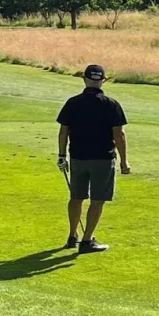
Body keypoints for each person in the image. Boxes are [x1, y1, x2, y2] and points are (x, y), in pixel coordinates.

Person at [55, 64, 130, 254]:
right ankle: (87, 240)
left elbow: (64, 132)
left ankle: (72, 236)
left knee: (76, 197)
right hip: (102, 159)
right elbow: (119, 135)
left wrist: (62, 155)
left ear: (84, 79)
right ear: (103, 80)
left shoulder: (73, 103)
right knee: (97, 200)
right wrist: (124, 162)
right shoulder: (111, 104)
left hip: (78, 158)